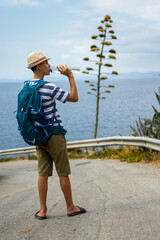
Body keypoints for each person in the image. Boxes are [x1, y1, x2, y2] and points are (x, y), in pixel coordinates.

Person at [26, 51, 86, 219]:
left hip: (38, 134)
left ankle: (43, 211)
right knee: (63, 172)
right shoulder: (48, 87)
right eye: (46, 63)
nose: (49, 66)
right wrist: (70, 76)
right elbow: (74, 98)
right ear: (39, 66)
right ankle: (70, 207)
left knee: (42, 172)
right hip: (53, 133)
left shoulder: (27, 86)